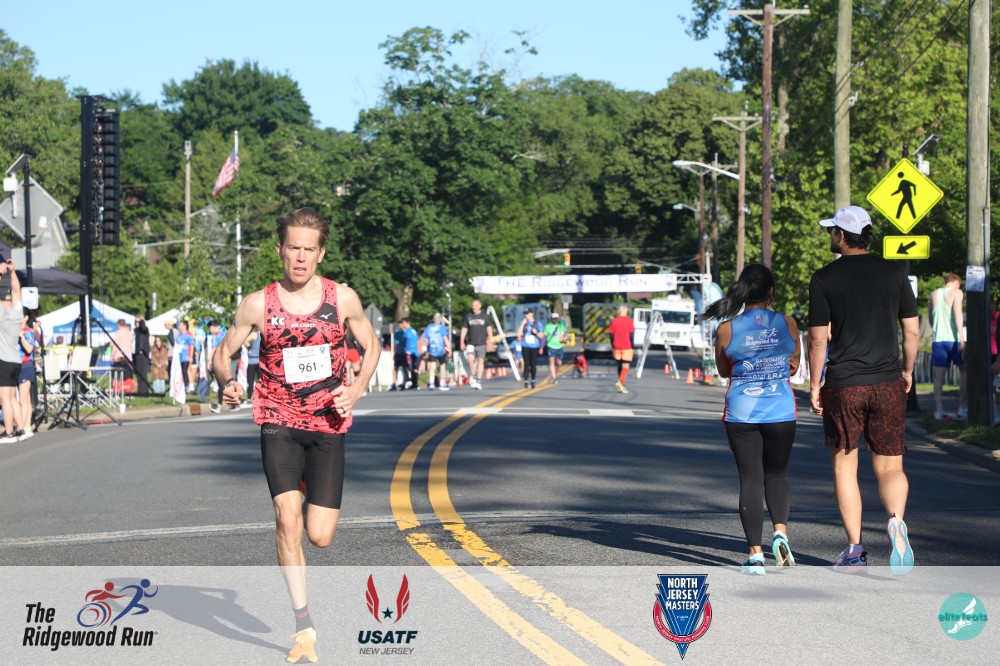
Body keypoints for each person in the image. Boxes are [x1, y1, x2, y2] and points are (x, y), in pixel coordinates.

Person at [211, 207, 379, 664]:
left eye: (309, 249)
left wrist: (355, 390)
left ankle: (305, 484)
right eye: (293, 248)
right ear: (279, 250)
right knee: (288, 521)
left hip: (327, 423)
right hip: (277, 418)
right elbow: (223, 353)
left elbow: (371, 345)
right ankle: (303, 625)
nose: (300, 257)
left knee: (319, 536)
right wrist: (228, 381)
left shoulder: (342, 299)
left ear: (321, 253)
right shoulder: (257, 304)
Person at [808, 205, 918, 575]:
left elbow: (818, 339)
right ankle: (896, 521)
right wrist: (907, 370)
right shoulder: (894, 272)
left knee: (845, 466)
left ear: (841, 235)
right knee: (890, 465)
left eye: (832, 230)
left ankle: (855, 550)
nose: (830, 235)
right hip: (887, 381)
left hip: (845, 385)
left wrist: (815, 383)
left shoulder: (824, 278)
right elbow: (912, 330)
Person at [704, 264, 799, 575]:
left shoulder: (726, 328)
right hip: (781, 408)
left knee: (751, 479)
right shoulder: (788, 323)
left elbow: (724, 370)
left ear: (743, 290)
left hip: (741, 411)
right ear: (771, 292)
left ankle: (755, 555)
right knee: (777, 474)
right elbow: (794, 365)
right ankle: (781, 533)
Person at [929, 273, 967, 420]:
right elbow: (958, 313)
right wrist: (962, 338)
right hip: (954, 339)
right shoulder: (957, 292)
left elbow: (931, 317)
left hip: (938, 340)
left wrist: (936, 330)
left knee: (938, 376)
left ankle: (939, 409)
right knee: (964, 370)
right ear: (956, 282)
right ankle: (962, 407)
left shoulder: (934, 294)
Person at [0, 259, 28, 443]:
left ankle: (9, 432)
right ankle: (21, 429)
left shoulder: (1, 314)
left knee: (5, 399)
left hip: (3, 360)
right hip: (15, 361)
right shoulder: (17, 313)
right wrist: (12, 272)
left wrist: (0, 273)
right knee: (12, 397)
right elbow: (17, 291)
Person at [460, 300, 493, 390]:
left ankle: (478, 380)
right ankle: (473, 376)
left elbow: (489, 328)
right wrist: (462, 341)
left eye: (475, 305)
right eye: (473, 305)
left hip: (481, 343)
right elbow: (464, 329)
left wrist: (490, 340)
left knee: (480, 361)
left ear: (480, 306)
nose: (473, 307)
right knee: (470, 359)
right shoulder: (469, 316)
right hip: (471, 342)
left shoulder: (484, 316)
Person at [18, 313, 37, 440]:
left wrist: (21, 337)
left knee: (23, 399)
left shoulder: (27, 332)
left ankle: (25, 427)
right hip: (15, 366)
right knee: (25, 399)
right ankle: (27, 426)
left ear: (25, 317)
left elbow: (29, 349)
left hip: (25, 366)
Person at [608, 305, 635, 393]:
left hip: (616, 346)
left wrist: (612, 346)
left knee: (619, 366)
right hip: (627, 346)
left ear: (618, 312)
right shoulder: (630, 321)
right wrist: (632, 346)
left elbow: (611, 335)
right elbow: (631, 335)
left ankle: (622, 386)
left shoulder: (614, 321)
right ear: (626, 312)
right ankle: (620, 382)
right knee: (625, 366)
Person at [421, 313, 451, 391]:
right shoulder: (442, 327)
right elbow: (445, 339)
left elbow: (425, 339)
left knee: (432, 366)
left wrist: (425, 348)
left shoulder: (429, 327)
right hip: (441, 349)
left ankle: (431, 383)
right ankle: (442, 383)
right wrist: (449, 349)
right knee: (442, 366)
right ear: (440, 319)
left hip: (432, 349)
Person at [516, 309, 544, 389]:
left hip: (534, 346)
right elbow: (518, 334)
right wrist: (522, 324)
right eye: (525, 314)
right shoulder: (524, 324)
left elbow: (541, 336)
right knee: (526, 363)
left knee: (533, 364)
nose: (526, 315)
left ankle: (533, 380)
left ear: (532, 314)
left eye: (527, 314)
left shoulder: (537, 323)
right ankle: (526, 381)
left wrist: (536, 332)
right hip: (525, 346)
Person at [543, 312, 569, 384]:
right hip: (551, 346)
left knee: (559, 363)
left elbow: (565, 333)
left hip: (559, 346)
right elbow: (544, 336)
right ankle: (554, 377)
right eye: (554, 318)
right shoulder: (548, 326)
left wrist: (564, 337)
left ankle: (556, 374)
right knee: (551, 361)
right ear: (551, 319)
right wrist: (542, 346)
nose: (555, 319)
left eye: (556, 318)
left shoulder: (561, 324)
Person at [111, 319, 134, 383]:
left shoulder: (118, 333)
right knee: (127, 380)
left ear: (118, 325)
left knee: (118, 380)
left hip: (119, 358)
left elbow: (115, 345)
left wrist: (113, 355)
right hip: (128, 359)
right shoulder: (129, 333)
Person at [133, 316, 151, 396]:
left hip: (143, 353)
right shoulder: (136, 331)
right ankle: (140, 391)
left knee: (143, 373)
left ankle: (144, 392)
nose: (136, 323)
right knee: (139, 373)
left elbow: (143, 328)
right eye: (135, 322)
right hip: (137, 354)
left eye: (138, 322)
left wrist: (141, 321)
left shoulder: (144, 330)